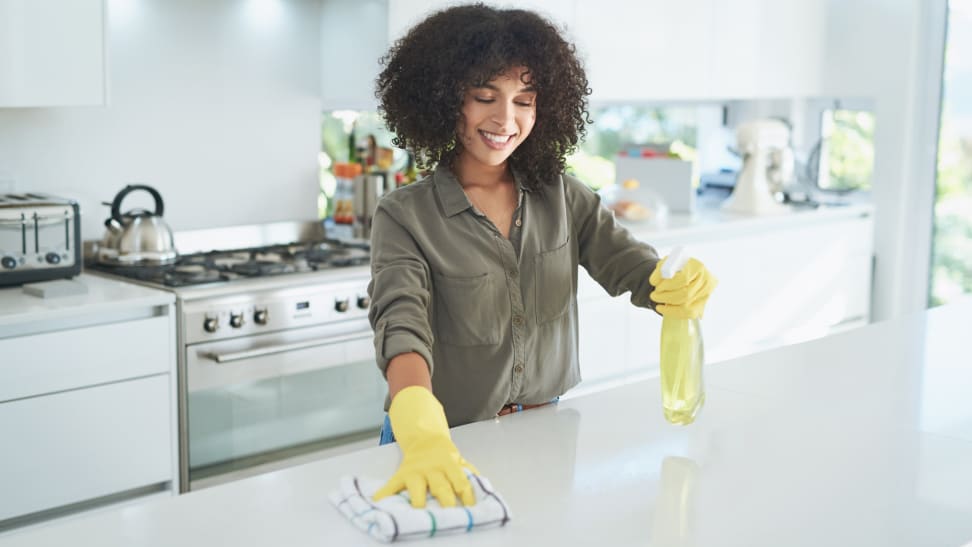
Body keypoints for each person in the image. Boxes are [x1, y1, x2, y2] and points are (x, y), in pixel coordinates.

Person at [367, 4, 717, 509]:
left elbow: (634, 271)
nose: (505, 119)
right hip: (441, 442)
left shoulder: (563, 197)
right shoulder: (405, 216)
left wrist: (676, 281)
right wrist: (420, 424)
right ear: (444, 100)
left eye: (523, 100)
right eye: (484, 96)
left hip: (544, 432)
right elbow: (401, 324)